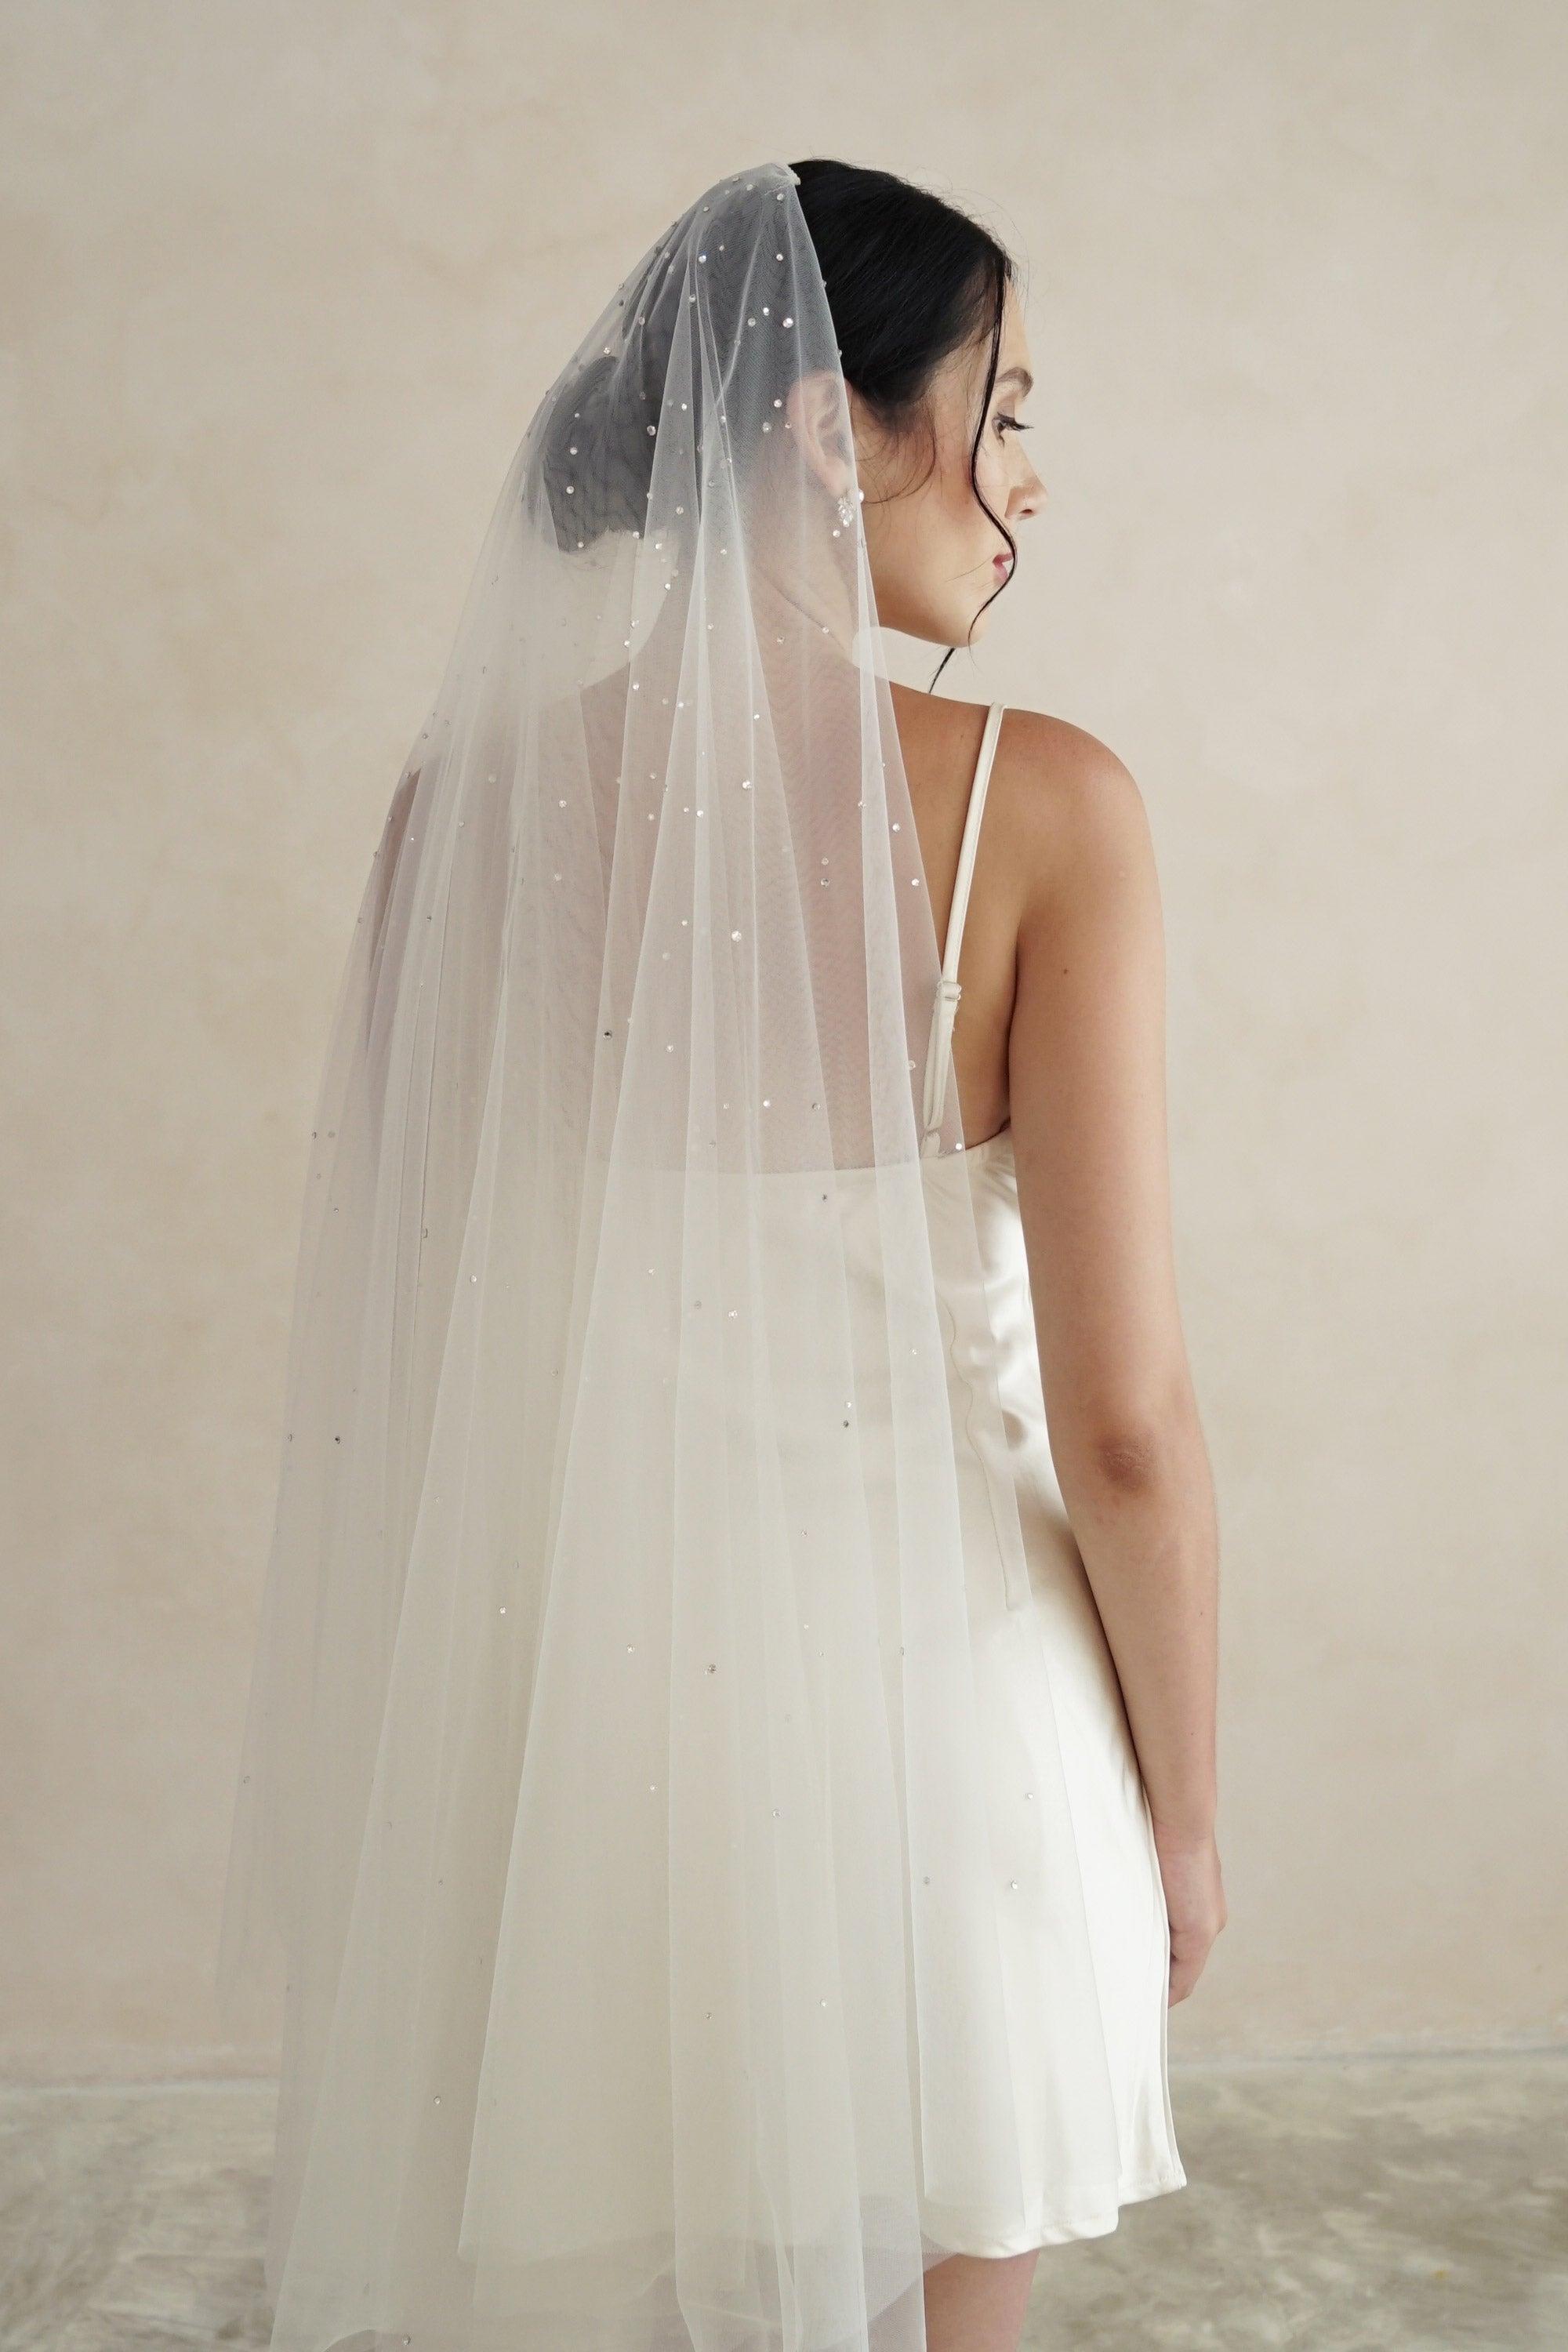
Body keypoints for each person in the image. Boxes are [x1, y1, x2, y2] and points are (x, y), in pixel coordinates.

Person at [217, 158, 1224, 2352]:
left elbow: (417, 1361)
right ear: (816, 428)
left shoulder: (454, 817)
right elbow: (1128, 1431)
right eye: (1006, 401)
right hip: (959, 1729)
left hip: (591, 1754)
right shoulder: (1045, 808)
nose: (1030, 478)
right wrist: (1190, 1812)